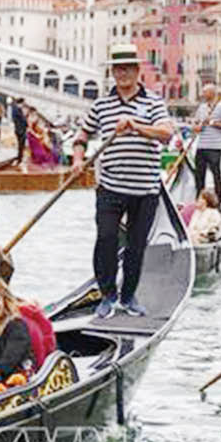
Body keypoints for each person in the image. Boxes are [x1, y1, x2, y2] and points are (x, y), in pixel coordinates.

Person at [71, 43, 174, 319]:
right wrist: (78, 159)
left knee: (136, 246)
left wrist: (135, 126)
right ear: (112, 72)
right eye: (118, 68)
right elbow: (81, 136)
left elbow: (167, 134)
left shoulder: (153, 103)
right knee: (105, 238)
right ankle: (107, 294)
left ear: (137, 71)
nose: (123, 73)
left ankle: (128, 296)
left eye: (128, 68)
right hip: (110, 186)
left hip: (145, 189)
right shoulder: (102, 105)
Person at [192, 83, 221, 202]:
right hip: (201, 146)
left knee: (216, 175)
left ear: (212, 93)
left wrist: (212, 122)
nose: (203, 94)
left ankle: (218, 200)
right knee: (199, 175)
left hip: (214, 147)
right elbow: (195, 124)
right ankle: (200, 198)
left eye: (205, 92)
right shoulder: (202, 108)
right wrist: (197, 127)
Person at [10, 98, 29, 165]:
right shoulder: (17, 110)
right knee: (21, 145)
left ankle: (19, 158)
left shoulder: (15, 109)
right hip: (20, 130)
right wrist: (25, 116)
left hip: (19, 129)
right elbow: (23, 120)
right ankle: (19, 159)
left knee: (21, 145)